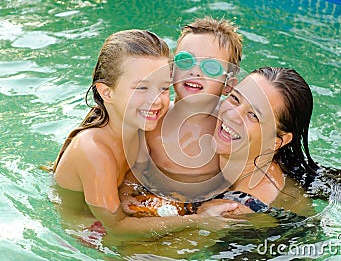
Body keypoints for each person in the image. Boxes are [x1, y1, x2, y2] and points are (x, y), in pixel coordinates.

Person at [51, 29, 238, 241]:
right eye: (141, 88)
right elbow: (117, 227)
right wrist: (198, 220)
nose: (156, 101)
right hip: (86, 235)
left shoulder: (142, 126)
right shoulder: (94, 150)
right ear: (106, 92)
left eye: (164, 87)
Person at [199, 67, 341, 216]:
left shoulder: (235, 207)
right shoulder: (265, 159)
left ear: (277, 141)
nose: (232, 114)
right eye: (235, 99)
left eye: (253, 115)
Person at [143, 16, 242, 183]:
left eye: (211, 66)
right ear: (171, 69)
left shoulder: (228, 130)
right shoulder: (153, 122)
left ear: (228, 85)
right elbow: (132, 174)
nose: (195, 71)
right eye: (185, 61)